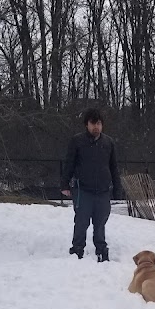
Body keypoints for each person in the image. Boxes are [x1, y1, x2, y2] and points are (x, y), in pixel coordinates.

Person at [61, 108, 122, 261]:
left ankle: (101, 249)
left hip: (102, 191)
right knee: (81, 221)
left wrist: (117, 188)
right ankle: (77, 249)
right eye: (93, 123)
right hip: (83, 190)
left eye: (99, 123)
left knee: (100, 222)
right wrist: (64, 185)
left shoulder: (108, 143)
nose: (96, 127)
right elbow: (69, 164)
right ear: (86, 125)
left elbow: (114, 167)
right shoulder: (77, 141)